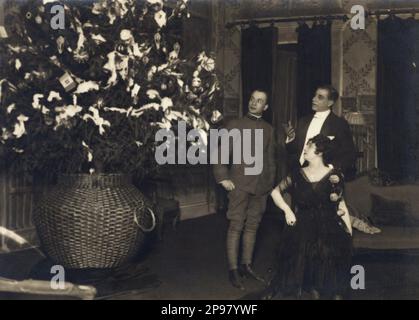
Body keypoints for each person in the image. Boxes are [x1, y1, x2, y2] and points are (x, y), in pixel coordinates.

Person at [265, 134, 353, 300]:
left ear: (319, 152)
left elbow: (341, 204)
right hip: (303, 224)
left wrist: (348, 231)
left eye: (309, 146)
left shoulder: (335, 175)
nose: (304, 149)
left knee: (330, 263)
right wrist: (287, 210)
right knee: (306, 262)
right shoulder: (297, 174)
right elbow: (275, 192)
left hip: (328, 225)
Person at [213, 89, 276, 290]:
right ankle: (233, 270)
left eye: (259, 101)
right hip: (239, 185)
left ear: (265, 107)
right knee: (236, 226)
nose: (253, 103)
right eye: (252, 99)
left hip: (261, 188)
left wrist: (269, 184)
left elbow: (271, 161)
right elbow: (220, 155)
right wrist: (223, 178)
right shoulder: (235, 125)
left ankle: (246, 265)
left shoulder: (269, 129)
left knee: (253, 226)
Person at [285, 85, 356, 180]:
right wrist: (291, 138)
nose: (314, 99)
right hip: (298, 174)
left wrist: (330, 169)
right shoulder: (303, 121)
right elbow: (293, 150)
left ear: (330, 102)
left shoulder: (339, 124)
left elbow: (349, 153)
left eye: (320, 97)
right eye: (315, 95)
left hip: (323, 178)